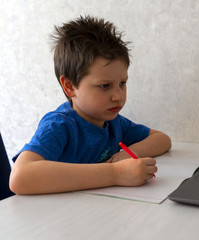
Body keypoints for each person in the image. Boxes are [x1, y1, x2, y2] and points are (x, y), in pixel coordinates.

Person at [9, 16, 172, 195]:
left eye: (122, 83)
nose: (118, 96)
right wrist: (115, 173)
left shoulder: (114, 123)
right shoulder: (59, 126)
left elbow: (163, 140)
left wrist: (127, 154)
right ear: (70, 86)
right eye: (104, 86)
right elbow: (20, 178)